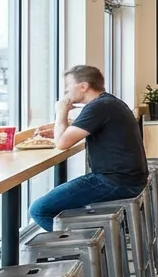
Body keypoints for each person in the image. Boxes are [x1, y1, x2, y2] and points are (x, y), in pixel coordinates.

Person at [30, 65, 147, 230]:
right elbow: (74, 134)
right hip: (129, 178)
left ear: (83, 86)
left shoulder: (98, 107)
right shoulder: (108, 102)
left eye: (68, 86)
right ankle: (100, 240)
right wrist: (56, 131)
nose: (65, 92)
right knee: (59, 203)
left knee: (39, 209)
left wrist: (61, 111)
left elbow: (62, 144)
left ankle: (85, 247)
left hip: (114, 181)